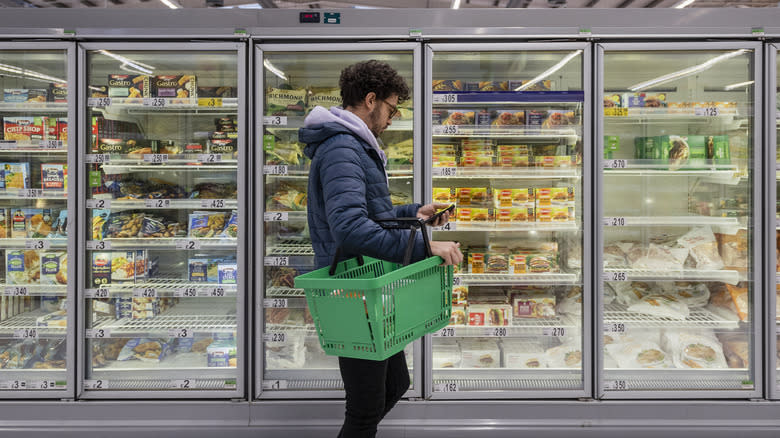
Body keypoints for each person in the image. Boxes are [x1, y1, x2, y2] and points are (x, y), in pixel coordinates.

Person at [299, 60, 463, 438]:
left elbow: (369, 214)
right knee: (364, 409)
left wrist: (412, 214)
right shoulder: (343, 148)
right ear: (370, 100)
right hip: (352, 288)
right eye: (391, 108)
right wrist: (426, 245)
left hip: (369, 284)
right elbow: (351, 230)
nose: (392, 118)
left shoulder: (355, 145)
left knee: (394, 385)